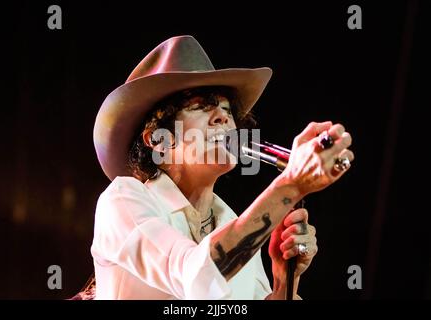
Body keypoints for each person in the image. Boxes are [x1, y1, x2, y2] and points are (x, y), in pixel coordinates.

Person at [87, 35, 353, 300]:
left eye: (227, 110)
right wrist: (291, 184)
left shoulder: (232, 224)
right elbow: (195, 274)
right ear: (158, 141)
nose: (224, 117)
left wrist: (284, 283)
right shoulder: (124, 201)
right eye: (201, 107)